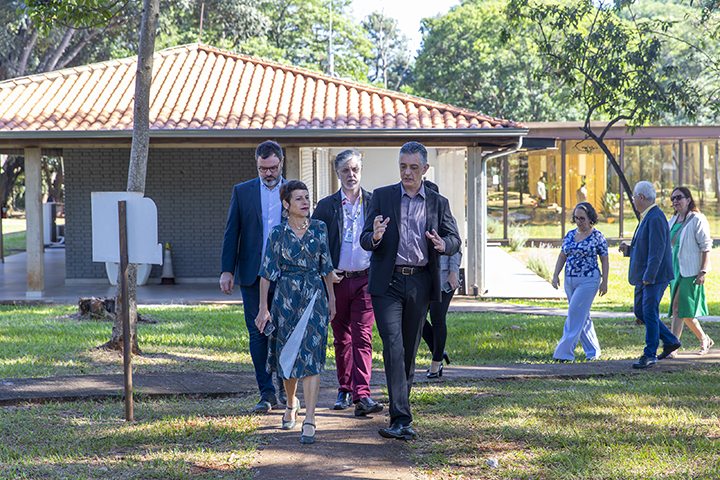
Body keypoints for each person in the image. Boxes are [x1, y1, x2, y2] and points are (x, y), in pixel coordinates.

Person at [360, 141, 461, 441]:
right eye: (403, 166)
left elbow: (454, 238)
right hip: (387, 283)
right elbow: (367, 237)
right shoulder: (381, 196)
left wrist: (444, 245)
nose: (407, 172)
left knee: (408, 351)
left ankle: (399, 413)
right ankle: (401, 417)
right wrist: (375, 236)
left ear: (425, 169)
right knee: (392, 344)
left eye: (413, 167)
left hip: (419, 282)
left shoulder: (438, 202)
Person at [255, 180, 336, 445]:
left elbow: (327, 268)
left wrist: (331, 300)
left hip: (314, 297)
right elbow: (267, 274)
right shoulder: (277, 233)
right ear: (286, 204)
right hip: (286, 297)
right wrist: (263, 309)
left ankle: (310, 418)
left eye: (307, 197)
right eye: (298, 198)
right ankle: (291, 402)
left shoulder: (320, 229)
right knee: (287, 358)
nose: (305, 202)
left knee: (311, 358)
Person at [312, 149, 384, 416]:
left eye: (355, 169)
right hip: (337, 281)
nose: (351, 175)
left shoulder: (375, 202)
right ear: (337, 173)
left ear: (361, 170)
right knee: (342, 339)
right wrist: (326, 272)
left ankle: (362, 394)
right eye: (345, 170)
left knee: (363, 337)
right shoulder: (326, 205)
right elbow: (316, 245)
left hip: (366, 279)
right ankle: (344, 388)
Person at [220, 140, 287, 412]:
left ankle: (286, 387)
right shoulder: (242, 191)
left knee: (284, 333)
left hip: (287, 276)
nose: (268, 173)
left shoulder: (294, 190)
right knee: (258, 333)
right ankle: (266, 392)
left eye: (272, 168)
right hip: (252, 275)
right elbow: (231, 232)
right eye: (262, 168)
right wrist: (227, 270)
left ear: (281, 163)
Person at [619, 181, 680, 369]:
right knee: (640, 311)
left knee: (649, 313)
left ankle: (650, 354)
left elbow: (658, 249)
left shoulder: (655, 217)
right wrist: (629, 250)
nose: (632, 200)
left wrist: (650, 275)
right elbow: (646, 246)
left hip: (654, 276)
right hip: (645, 274)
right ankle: (670, 341)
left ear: (641, 198)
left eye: (634, 196)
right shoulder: (647, 216)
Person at [551, 202, 608, 362]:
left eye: (582, 218)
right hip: (570, 280)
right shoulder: (569, 235)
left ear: (590, 218)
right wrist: (556, 275)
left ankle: (564, 353)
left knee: (574, 313)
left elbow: (604, 259)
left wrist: (605, 281)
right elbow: (562, 256)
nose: (578, 222)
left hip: (589, 280)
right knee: (582, 315)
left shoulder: (597, 236)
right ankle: (594, 351)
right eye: (576, 218)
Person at [666, 186, 714, 357]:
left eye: (679, 197)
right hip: (674, 270)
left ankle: (673, 346)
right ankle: (704, 339)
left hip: (691, 270)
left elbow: (706, 246)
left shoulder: (697, 219)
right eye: (672, 199)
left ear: (688, 199)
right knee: (682, 311)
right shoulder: (672, 221)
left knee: (679, 307)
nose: (675, 201)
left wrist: (703, 270)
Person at [421, 180, 461, 378]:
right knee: (418, 318)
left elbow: (456, 247)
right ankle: (439, 349)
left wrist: (454, 274)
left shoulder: (446, 217)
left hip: (445, 277)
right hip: (423, 277)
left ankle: (436, 365)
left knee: (437, 318)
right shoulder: (416, 217)